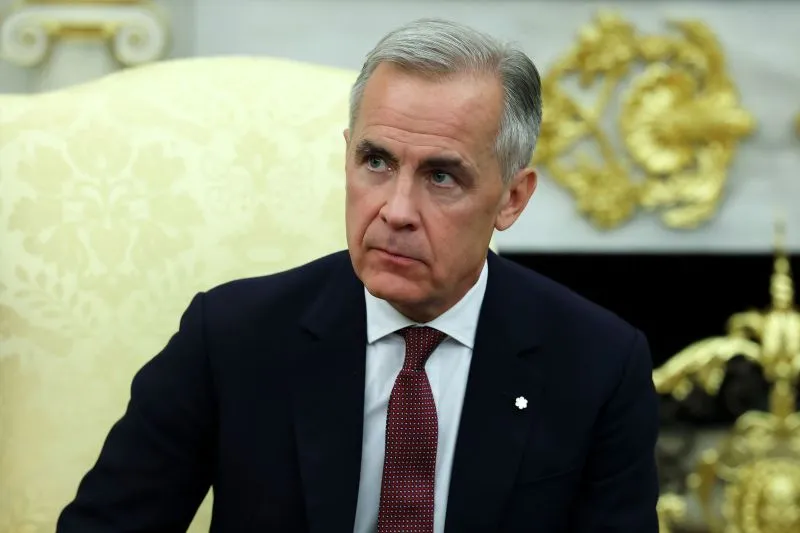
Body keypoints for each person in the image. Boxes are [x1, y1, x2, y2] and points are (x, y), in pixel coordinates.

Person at [57, 18, 659, 533]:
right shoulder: (232, 338)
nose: (396, 211)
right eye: (376, 161)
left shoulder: (598, 364)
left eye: (441, 176)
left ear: (512, 198)